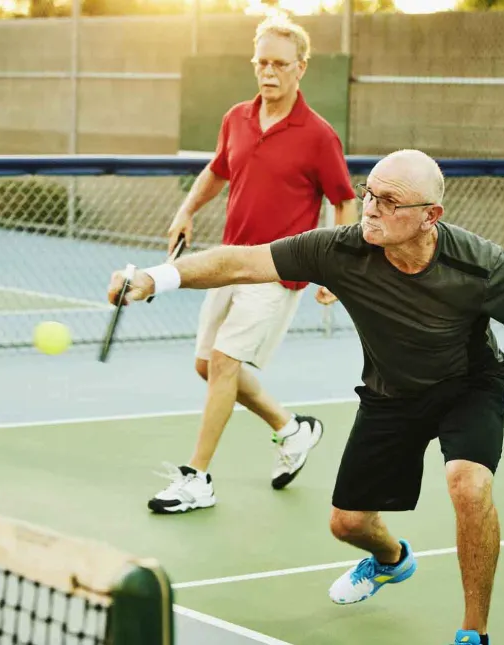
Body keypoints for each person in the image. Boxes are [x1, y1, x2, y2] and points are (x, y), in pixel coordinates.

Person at [107, 149, 504, 645]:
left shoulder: (480, 265)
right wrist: (158, 278)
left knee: (468, 483)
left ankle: (473, 634)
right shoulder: (339, 250)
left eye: (389, 201)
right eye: (370, 193)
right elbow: (240, 261)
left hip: (469, 387)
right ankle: (392, 559)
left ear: (429, 216)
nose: (370, 208)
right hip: (390, 393)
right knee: (347, 524)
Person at [149, 13, 359, 514]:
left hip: (277, 270)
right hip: (227, 260)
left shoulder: (319, 135)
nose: (268, 72)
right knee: (207, 366)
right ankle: (292, 429)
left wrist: (333, 268)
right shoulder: (236, 117)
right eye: (261, 62)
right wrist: (186, 210)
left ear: (300, 68)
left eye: (280, 64)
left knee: (224, 363)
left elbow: (344, 201)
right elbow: (218, 169)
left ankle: (196, 478)